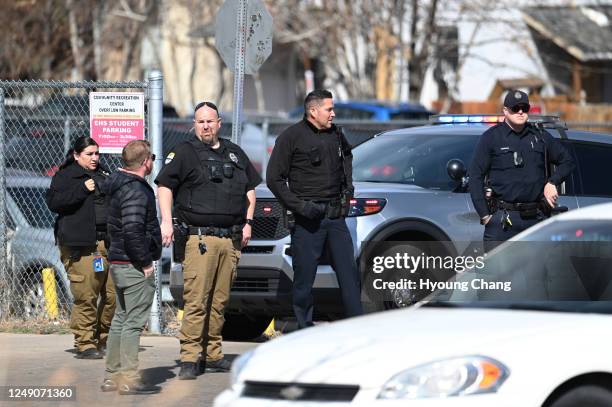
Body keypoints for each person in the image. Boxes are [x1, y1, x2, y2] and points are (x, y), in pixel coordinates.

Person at [155, 101, 261, 380]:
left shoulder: (234, 153)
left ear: (219, 122)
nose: (205, 126)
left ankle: (212, 354)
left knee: (219, 302)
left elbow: (250, 190)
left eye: (210, 121)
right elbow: (164, 186)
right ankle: (190, 357)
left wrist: (248, 223)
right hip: (199, 239)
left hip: (230, 240)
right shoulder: (185, 153)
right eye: (200, 121)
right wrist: (166, 221)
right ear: (194, 124)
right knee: (197, 301)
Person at [266, 89, 363, 330]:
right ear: (313, 111)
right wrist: (300, 207)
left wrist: (347, 192)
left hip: (335, 217)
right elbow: (274, 179)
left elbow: (347, 160)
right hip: (307, 220)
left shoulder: (337, 135)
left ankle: (358, 326)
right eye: (329, 109)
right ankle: (304, 327)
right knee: (304, 280)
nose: (333, 114)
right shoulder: (291, 137)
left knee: (349, 276)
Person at [469, 90, 575, 252]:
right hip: (503, 222)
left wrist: (553, 182)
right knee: (499, 276)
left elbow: (567, 161)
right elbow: (475, 176)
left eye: (524, 108)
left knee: (536, 275)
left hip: (536, 219)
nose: (520, 111)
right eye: (515, 108)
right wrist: (485, 215)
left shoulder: (540, 137)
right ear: (505, 111)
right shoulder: (491, 138)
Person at [100, 140, 161, 395]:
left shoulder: (117, 183)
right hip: (132, 263)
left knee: (121, 319)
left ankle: (112, 376)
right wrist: (145, 262)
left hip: (118, 260)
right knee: (133, 323)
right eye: (153, 158)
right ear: (145, 161)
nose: (153, 162)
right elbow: (133, 229)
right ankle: (128, 379)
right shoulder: (135, 190)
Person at [46, 136, 115, 360]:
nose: (95, 158)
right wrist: (82, 189)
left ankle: (104, 338)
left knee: (113, 295)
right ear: (76, 155)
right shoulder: (65, 176)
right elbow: (55, 204)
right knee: (86, 295)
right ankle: (85, 342)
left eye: (97, 153)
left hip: (108, 243)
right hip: (82, 246)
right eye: (89, 154)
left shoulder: (104, 175)